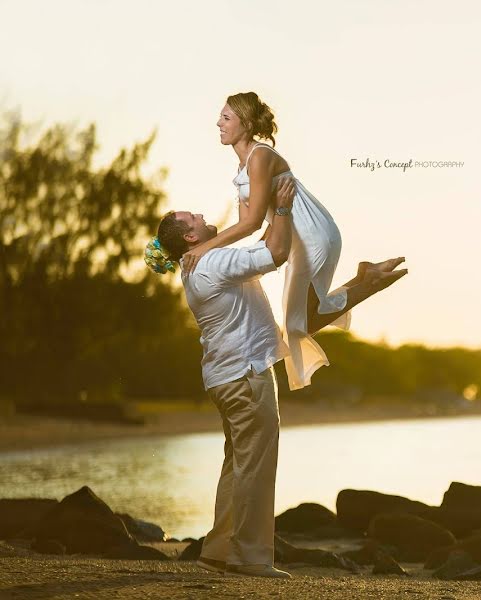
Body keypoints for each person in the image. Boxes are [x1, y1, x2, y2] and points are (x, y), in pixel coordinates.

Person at [144, 179, 404, 578]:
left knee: (238, 464)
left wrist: (266, 211)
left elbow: (264, 243)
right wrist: (281, 208)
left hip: (227, 378)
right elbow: (276, 252)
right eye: (192, 216)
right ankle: (249, 558)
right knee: (255, 467)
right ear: (190, 235)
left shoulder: (201, 264)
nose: (200, 214)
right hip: (246, 377)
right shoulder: (210, 263)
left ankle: (218, 550)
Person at [180, 91, 406, 390]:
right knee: (301, 322)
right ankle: (366, 277)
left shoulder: (260, 157)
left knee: (301, 324)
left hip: (312, 234)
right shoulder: (243, 167)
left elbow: (251, 221)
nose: (218, 123)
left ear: (245, 124)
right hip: (298, 236)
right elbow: (249, 227)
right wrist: (230, 255)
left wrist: (204, 248)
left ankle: (368, 282)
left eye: (226, 118)